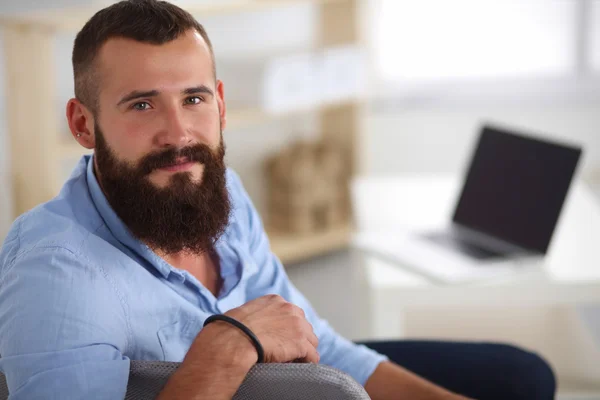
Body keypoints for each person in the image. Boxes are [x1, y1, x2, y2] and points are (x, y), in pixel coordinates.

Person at [0, 1, 556, 399]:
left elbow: (324, 346)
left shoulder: (225, 194)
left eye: (193, 98)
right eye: (141, 105)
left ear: (219, 105)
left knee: (520, 376)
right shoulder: (58, 271)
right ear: (83, 123)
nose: (178, 134)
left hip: (286, 377)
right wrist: (229, 344)